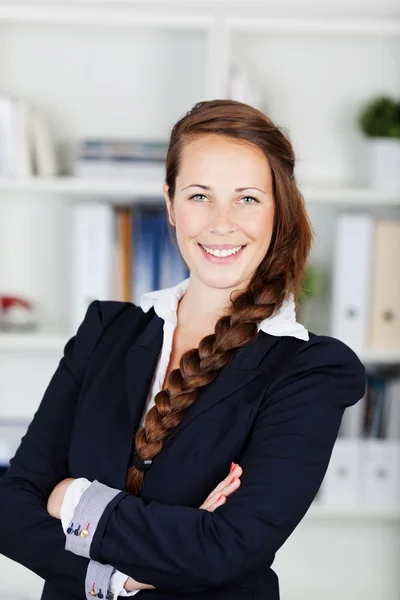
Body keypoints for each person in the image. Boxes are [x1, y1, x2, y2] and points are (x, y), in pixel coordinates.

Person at [0, 99, 366, 600]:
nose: (221, 222)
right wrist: (117, 579)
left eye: (247, 199)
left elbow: (226, 550)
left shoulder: (311, 370)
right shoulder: (105, 331)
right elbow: (12, 508)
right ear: (170, 204)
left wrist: (73, 499)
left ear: (279, 210)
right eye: (199, 196)